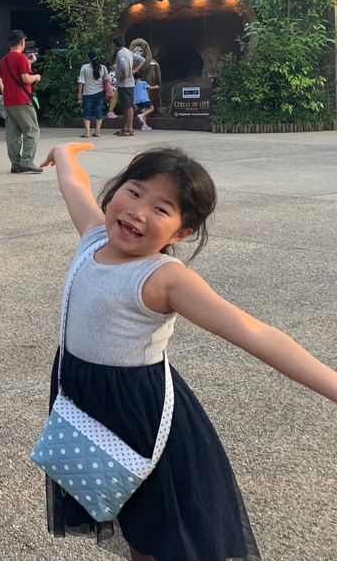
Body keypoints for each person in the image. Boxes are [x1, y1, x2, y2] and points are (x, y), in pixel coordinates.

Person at [40, 142, 337, 560]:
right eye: (134, 192)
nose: (138, 212)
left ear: (182, 232)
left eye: (161, 209)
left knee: (157, 528)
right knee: (122, 510)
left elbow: (255, 332)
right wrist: (64, 153)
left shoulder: (164, 278)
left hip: (139, 414)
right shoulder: (93, 236)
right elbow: (73, 185)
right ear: (116, 189)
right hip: (85, 400)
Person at [0, 29, 42, 174]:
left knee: (13, 134)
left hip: (8, 101)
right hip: (22, 100)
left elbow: (12, 73)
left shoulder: (4, 60)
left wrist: (30, 62)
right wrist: (36, 77)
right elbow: (25, 78)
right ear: (22, 42)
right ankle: (27, 161)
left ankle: (16, 163)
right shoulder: (21, 58)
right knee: (32, 130)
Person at [113, 36, 143, 137]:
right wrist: (134, 70)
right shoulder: (128, 52)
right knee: (126, 106)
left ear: (115, 45)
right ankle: (124, 128)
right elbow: (142, 60)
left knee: (129, 106)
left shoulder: (120, 53)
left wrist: (125, 75)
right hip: (129, 83)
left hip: (125, 83)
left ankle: (130, 129)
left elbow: (123, 64)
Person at [76, 52, 107, 138]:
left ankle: (87, 132)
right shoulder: (103, 68)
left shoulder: (84, 67)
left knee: (87, 112)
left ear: (88, 58)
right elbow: (106, 80)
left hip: (87, 93)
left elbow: (81, 81)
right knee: (99, 111)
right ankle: (97, 132)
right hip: (100, 93)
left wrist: (79, 93)